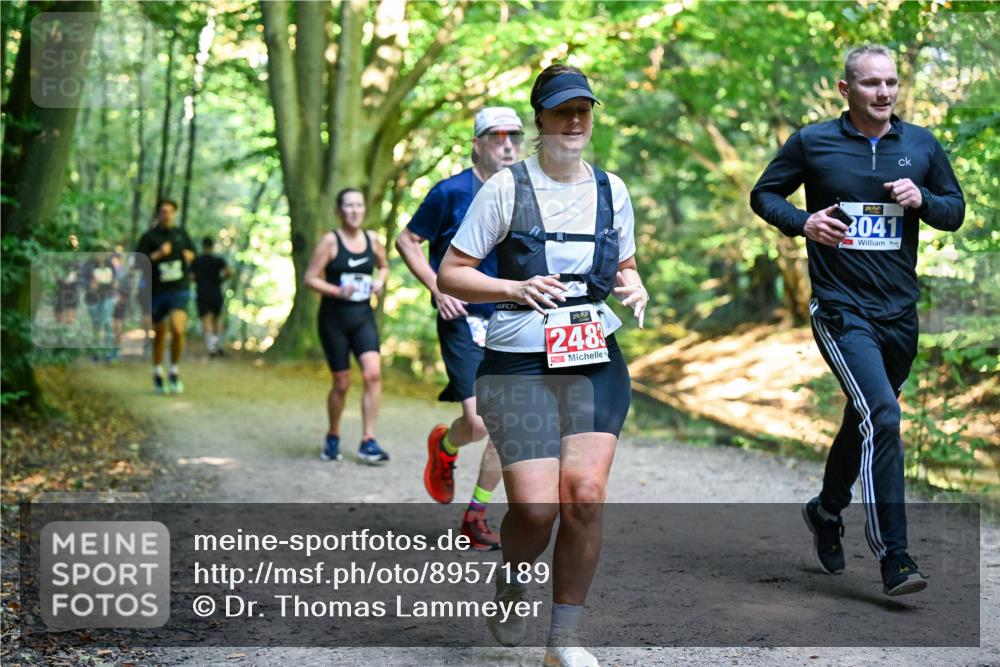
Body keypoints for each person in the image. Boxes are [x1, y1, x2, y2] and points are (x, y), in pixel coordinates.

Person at [438, 65, 647, 667]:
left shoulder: (613, 190)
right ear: (541, 120)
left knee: (583, 496)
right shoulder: (505, 189)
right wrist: (513, 288)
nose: (575, 121)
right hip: (518, 361)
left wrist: (633, 288)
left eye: (583, 110)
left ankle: (564, 640)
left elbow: (625, 265)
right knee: (535, 508)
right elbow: (453, 273)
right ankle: (511, 575)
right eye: (562, 111)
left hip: (593, 357)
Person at [750, 44, 965, 596]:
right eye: (871, 84)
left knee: (866, 415)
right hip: (841, 308)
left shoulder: (919, 144)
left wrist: (923, 199)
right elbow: (764, 193)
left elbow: (955, 211)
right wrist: (804, 222)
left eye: (891, 82)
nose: (885, 93)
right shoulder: (813, 142)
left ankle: (825, 511)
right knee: (884, 416)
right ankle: (895, 556)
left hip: (899, 311)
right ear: (846, 90)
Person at [396, 107, 525, 551]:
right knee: (478, 421)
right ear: (477, 143)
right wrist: (436, 286)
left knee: (505, 423)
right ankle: (446, 445)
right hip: (461, 317)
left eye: (515, 136)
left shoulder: (528, 193)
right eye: (496, 136)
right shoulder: (449, 192)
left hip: (510, 319)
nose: (508, 144)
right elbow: (406, 240)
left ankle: (476, 515)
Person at [305, 188, 391, 465]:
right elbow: (310, 278)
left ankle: (368, 440)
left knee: (373, 375)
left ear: (364, 209)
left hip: (363, 316)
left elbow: (384, 266)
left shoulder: (373, 239)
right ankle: (333, 435)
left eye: (359, 205)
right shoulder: (331, 241)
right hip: (334, 320)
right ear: (339, 211)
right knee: (341, 384)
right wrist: (335, 291)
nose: (354, 210)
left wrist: (380, 281)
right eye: (349, 206)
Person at [136, 198, 197, 394]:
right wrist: (158, 254)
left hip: (179, 288)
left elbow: (193, 253)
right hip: (157, 291)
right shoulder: (149, 237)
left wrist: (190, 256)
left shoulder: (181, 234)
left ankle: (174, 370)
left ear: (174, 213)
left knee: (178, 329)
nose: (167, 214)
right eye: (163, 211)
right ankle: (157, 371)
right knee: (160, 333)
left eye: (170, 211)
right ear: (158, 213)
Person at [189, 235, 232, 357]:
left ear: (203, 246)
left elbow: (191, 277)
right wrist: (221, 280)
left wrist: (199, 280)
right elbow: (229, 272)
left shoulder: (197, 261)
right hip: (216, 292)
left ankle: (211, 347)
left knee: (206, 319)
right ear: (212, 246)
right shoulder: (218, 260)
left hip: (202, 293)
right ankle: (216, 344)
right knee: (216, 319)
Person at [81, 251, 118, 361]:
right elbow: (82, 280)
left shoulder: (109, 263)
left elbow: (115, 278)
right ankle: (96, 351)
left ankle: (108, 352)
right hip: (92, 299)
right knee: (96, 324)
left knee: (107, 322)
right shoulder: (88, 265)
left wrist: (115, 283)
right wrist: (90, 285)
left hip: (108, 297)